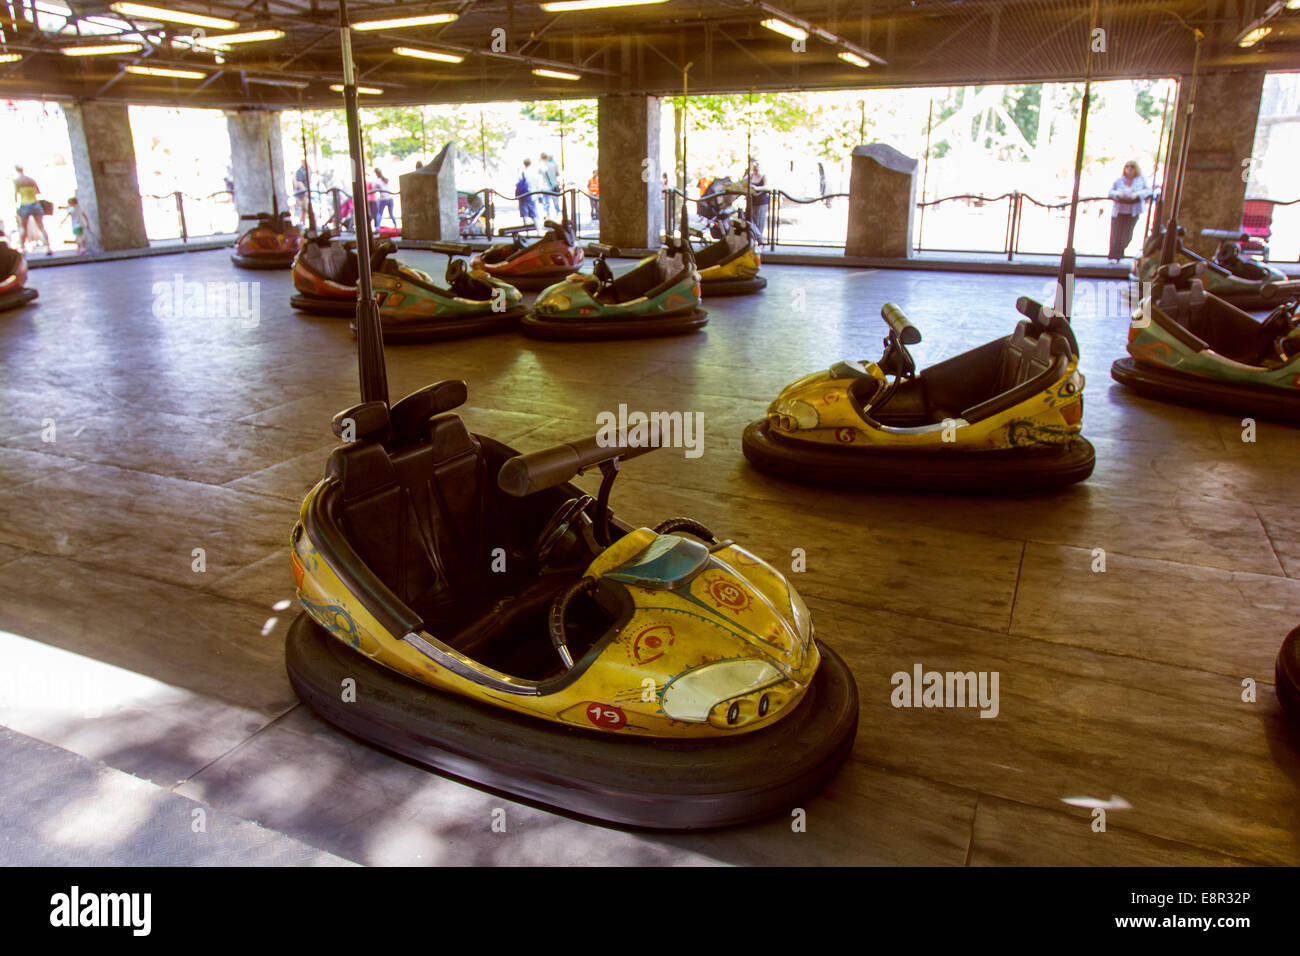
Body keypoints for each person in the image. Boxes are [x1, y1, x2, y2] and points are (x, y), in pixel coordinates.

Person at [1108, 159, 1150, 263]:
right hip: (1119, 211)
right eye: (1127, 166)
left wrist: (1137, 195)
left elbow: (1148, 190)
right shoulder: (1119, 180)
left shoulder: (1141, 180)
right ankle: (1113, 256)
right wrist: (1118, 194)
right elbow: (1110, 192)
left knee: (1127, 235)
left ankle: (1120, 252)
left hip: (1132, 211)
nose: (1130, 168)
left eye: (1132, 166)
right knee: (1115, 234)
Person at [13, 165, 50, 255]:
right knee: (41, 226)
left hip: (24, 204)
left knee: (23, 227)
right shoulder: (31, 180)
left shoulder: (16, 181)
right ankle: (48, 247)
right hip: (35, 203)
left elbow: (15, 195)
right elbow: (38, 192)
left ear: (16, 170)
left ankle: (22, 248)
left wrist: (16, 207)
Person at [744, 161, 769, 239]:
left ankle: (759, 238)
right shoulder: (750, 176)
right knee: (751, 220)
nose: (755, 171)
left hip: (761, 202)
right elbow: (742, 182)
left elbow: (767, 187)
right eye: (754, 169)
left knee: (760, 220)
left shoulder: (764, 176)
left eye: (757, 169)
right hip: (751, 201)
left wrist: (756, 188)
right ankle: (757, 237)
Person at [516, 157, 538, 227]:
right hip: (533, 195)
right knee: (534, 214)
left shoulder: (522, 172)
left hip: (524, 195)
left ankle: (526, 230)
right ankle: (538, 230)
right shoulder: (534, 172)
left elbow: (518, 183)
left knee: (524, 214)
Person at [538, 152, 560, 218]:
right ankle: (558, 213)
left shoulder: (541, 167)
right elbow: (557, 174)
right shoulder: (553, 165)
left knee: (546, 203)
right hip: (554, 186)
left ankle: (547, 215)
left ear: (541, 158)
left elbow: (539, 176)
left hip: (545, 187)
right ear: (547, 157)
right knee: (556, 202)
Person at [294, 159, 311, 228]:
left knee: (304, 209)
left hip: (306, 191)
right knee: (305, 208)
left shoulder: (308, 170)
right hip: (302, 193)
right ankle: (302, 222)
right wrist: (305, 191)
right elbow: (299, 182)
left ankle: (303, 223)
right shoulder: (300, 171)